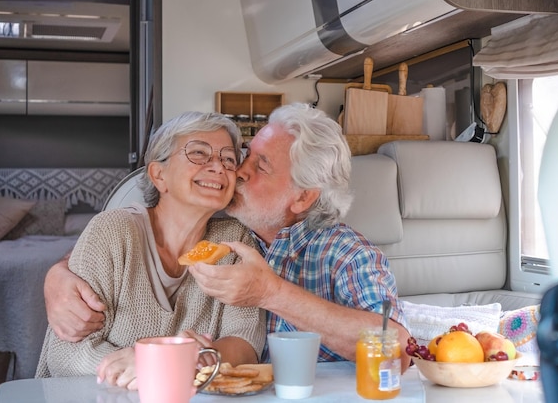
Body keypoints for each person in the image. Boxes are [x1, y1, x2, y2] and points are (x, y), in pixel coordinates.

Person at [43, 103, 412, 372]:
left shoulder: (341, 253)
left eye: (259, 166)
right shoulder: (229, 227)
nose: (233, 171)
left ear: (303, 197)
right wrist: (57, 272)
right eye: (247, 155)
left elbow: (396, 350)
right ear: (158, 175)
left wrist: (269, 293)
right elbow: (122, 241)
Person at [35, 111, 265, 390]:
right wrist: (159, 366)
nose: (218, 167)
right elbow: (64, 355)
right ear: (159, 175)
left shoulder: (234, 240)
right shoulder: (113, 230)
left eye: (228, 158)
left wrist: (190, 360)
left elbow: (245, 340)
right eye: (198, 154)